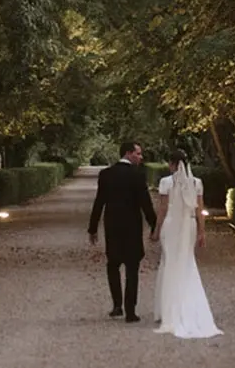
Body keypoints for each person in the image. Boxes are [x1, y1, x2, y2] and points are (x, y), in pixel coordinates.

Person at [152, 150, 222, 339]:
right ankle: (187, 303)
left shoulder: (166, 182)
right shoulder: (196, 183)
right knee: (186, 261)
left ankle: (168, 308)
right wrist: (201, 232)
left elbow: (163, 208)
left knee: (169, 263)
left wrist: (157, 230)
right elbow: (200, 210)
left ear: (173, 164)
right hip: (189, 224)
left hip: (171, 224)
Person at [88, 141, 158, 322]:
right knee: (132, 268)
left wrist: (93, 227)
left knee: (113, 265)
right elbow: (145, 203)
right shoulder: (137, 175)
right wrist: (154, 226)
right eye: (138, 153)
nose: (141, 157)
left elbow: (99, 201)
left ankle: (117, 305)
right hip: (132, 227)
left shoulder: (106, 174)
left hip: (113, 226)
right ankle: (130, 310)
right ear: (128, 153)